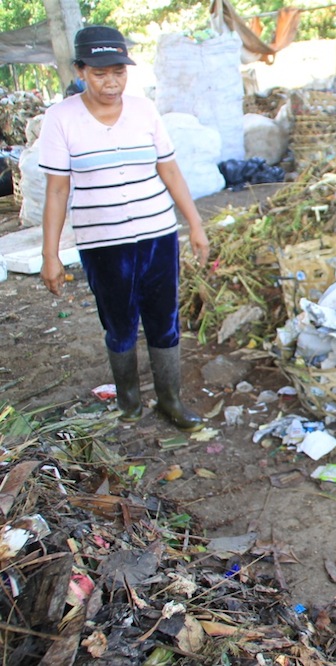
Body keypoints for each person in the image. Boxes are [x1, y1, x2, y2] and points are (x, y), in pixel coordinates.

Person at [39, 26, 209, 432]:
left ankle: (170, 400)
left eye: (118, 71)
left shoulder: (144, 110)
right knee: (118, 323)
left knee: (164, 319)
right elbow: (57, 190)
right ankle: (129, 402)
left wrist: (196, 225)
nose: (111, 82)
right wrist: (50, 256)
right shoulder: (60, 119)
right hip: (103, 242)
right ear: (80, 71)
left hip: (157, 234)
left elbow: (168, 168)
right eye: (99, 73)